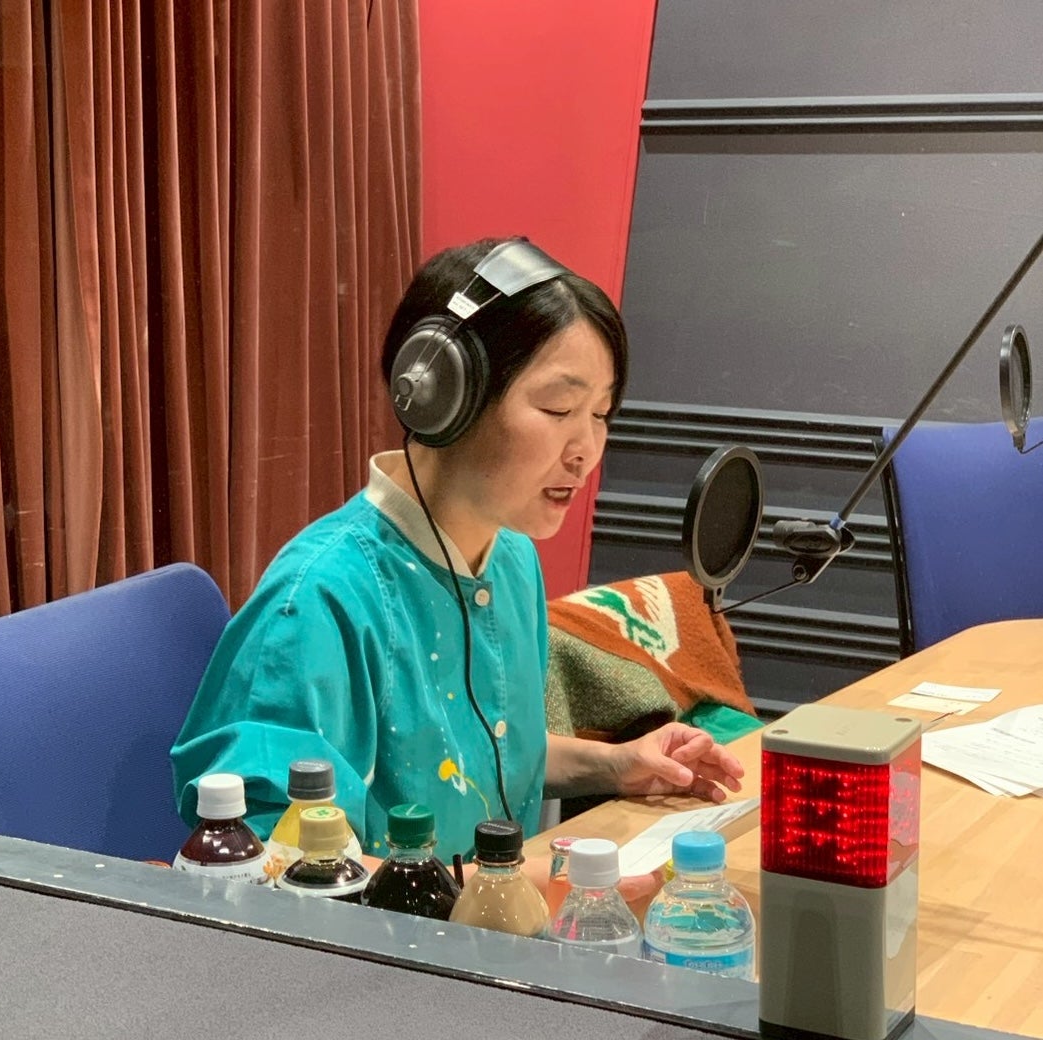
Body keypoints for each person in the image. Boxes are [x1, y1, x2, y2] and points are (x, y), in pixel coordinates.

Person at [171, 237, 744, 866]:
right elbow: (270, 862)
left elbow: (474, 758)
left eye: (601, 414)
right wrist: (492, 892)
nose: (585, 451)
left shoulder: (511, 559)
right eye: (558, 408)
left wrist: (614, 764)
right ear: (445, 394)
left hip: (494, 914)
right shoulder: (317, 602)